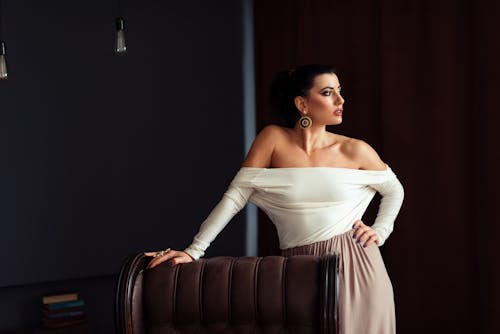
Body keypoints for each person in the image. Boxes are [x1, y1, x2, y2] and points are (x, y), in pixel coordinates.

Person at [146, 64, 404, 334]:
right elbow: (234, 198)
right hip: (296, 268)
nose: (341, 100)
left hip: (358, 267)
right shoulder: (273, 139)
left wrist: (380, 230)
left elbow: (394, 189)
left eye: (339, 91)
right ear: (302, 104)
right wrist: (193, 251)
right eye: (328, 93)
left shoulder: (355, 149)